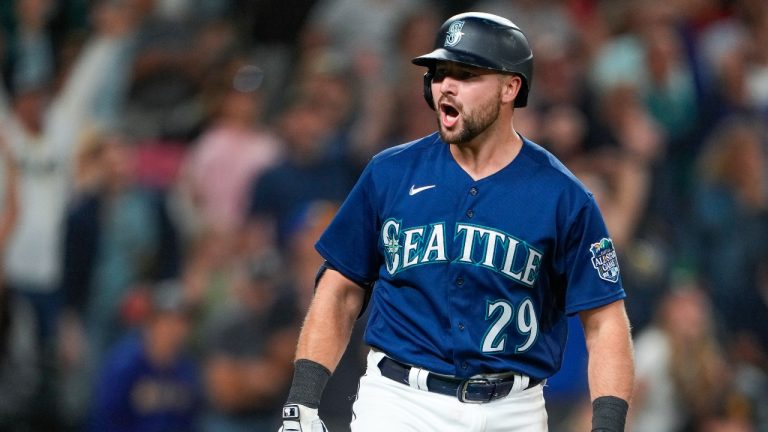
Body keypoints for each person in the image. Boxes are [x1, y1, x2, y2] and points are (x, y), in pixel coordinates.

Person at [278, 12, 634, 432]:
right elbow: (339, 290)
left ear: (510, 87)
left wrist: (608, 425)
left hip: (513, 411)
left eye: (465, 74)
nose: (445, 85)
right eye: (439, 72)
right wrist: (301, 400)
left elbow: (606, 320)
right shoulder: (390, 173)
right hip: (399, 402)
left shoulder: (562, 195)